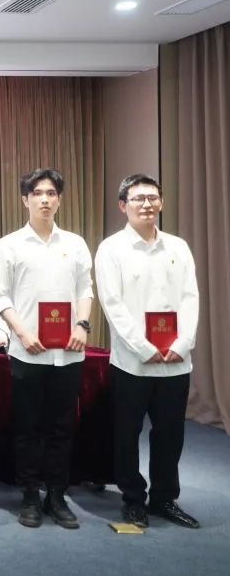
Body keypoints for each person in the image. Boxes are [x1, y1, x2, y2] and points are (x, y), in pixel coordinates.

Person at [0, 167, 93, 529]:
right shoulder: (10, 244)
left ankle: (57, 496)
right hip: (27, 351)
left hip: (68, 352)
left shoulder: (75, 244)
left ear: (59, 199)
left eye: (51, 193)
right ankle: (30, 496)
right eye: (37, 193)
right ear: (25, 200)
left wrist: (82, 325)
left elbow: (85, 289)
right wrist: (20, 332)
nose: (44, 200)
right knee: (28, 428)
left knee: (61, 427)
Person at [95, 174, 200, 529]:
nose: (147, 204)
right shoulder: (111, 249)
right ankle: (132, 499)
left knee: (170, 434)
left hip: (175, 362)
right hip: (132, 362)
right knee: (127, 434)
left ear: (162, 203)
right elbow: (112, 304)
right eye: (138, 199)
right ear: (123, 205)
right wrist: (143, 346)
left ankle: (164, 498)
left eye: (153, 198)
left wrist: (182, 343)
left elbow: (190, 298)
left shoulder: (178, 247)